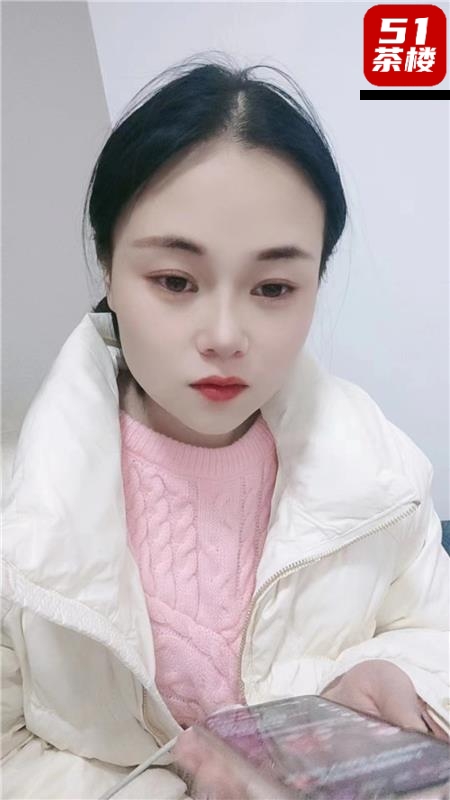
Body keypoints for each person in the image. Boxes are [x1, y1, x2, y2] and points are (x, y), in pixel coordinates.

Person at [2, 53, 449, 800]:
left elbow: (435, 631)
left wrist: (379, 683)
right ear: (108, 267)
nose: (223, 335)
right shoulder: (19, 511)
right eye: (175, 281)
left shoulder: (381, 476)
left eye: (273, 287)